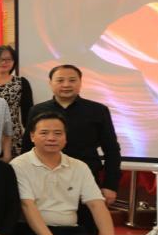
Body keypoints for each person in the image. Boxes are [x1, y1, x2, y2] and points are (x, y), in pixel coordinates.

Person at [24, 64, 121, 208]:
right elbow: (27, 147)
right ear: (50, 83)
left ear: (80, 82)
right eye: (60, 80)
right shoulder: (37, 110)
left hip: (86, 178)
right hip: (44, 179)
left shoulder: (98, 110)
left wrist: (110, 185)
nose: (66, 85)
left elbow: (111, 149)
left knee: (87, 220)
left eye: (72, 80)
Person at [0, 45, 33, 157]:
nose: (4, 62)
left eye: (8, 59)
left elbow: (28, 112)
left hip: (13, 131)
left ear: (14, 62)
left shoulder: (21, 82)